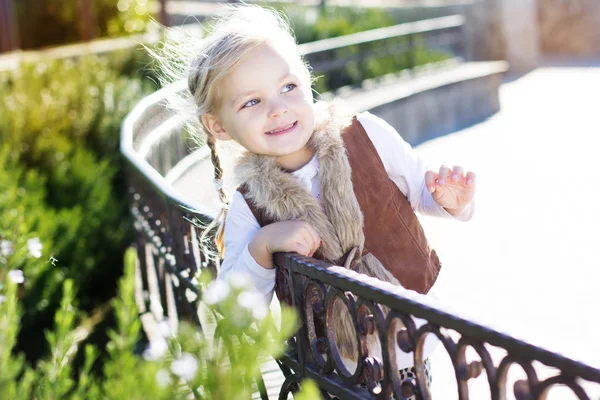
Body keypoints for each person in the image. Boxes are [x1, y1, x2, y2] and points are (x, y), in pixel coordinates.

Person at [173, 3, 475, 395]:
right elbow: (235, 311)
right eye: (252, 102)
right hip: (334, 374)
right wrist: (263, 247)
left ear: (306, 80)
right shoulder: (250, 205)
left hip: (410, 344)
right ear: (218, 126)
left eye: (288, 87)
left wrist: (453, 202)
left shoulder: (365, 134)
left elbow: (421, 193)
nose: (278, 109)